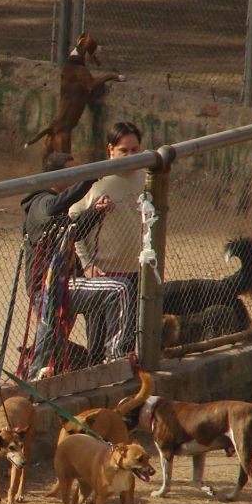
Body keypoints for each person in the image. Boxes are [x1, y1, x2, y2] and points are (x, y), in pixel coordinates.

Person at [20, 152, 132, 376]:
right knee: (119, 289)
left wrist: (95, 212)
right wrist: (89, 178)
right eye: (73, 172)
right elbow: (53, 207)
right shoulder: (41, 202)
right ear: (58, 175)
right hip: (50, 288)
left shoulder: (56, 207)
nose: (76, 176)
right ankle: (116, 359)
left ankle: (32, 380)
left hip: (60, 286)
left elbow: (75, 232)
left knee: (50, 345)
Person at [67, 121, 147, 355]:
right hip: (103, 274)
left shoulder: (145, 175)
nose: (131, 156)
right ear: (110, 149)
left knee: (127, 339)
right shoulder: (97, 180)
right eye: (124, 151)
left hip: (135, 271)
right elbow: (74, 221)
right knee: (97, 340)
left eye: (135, 150)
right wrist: (87, 263)